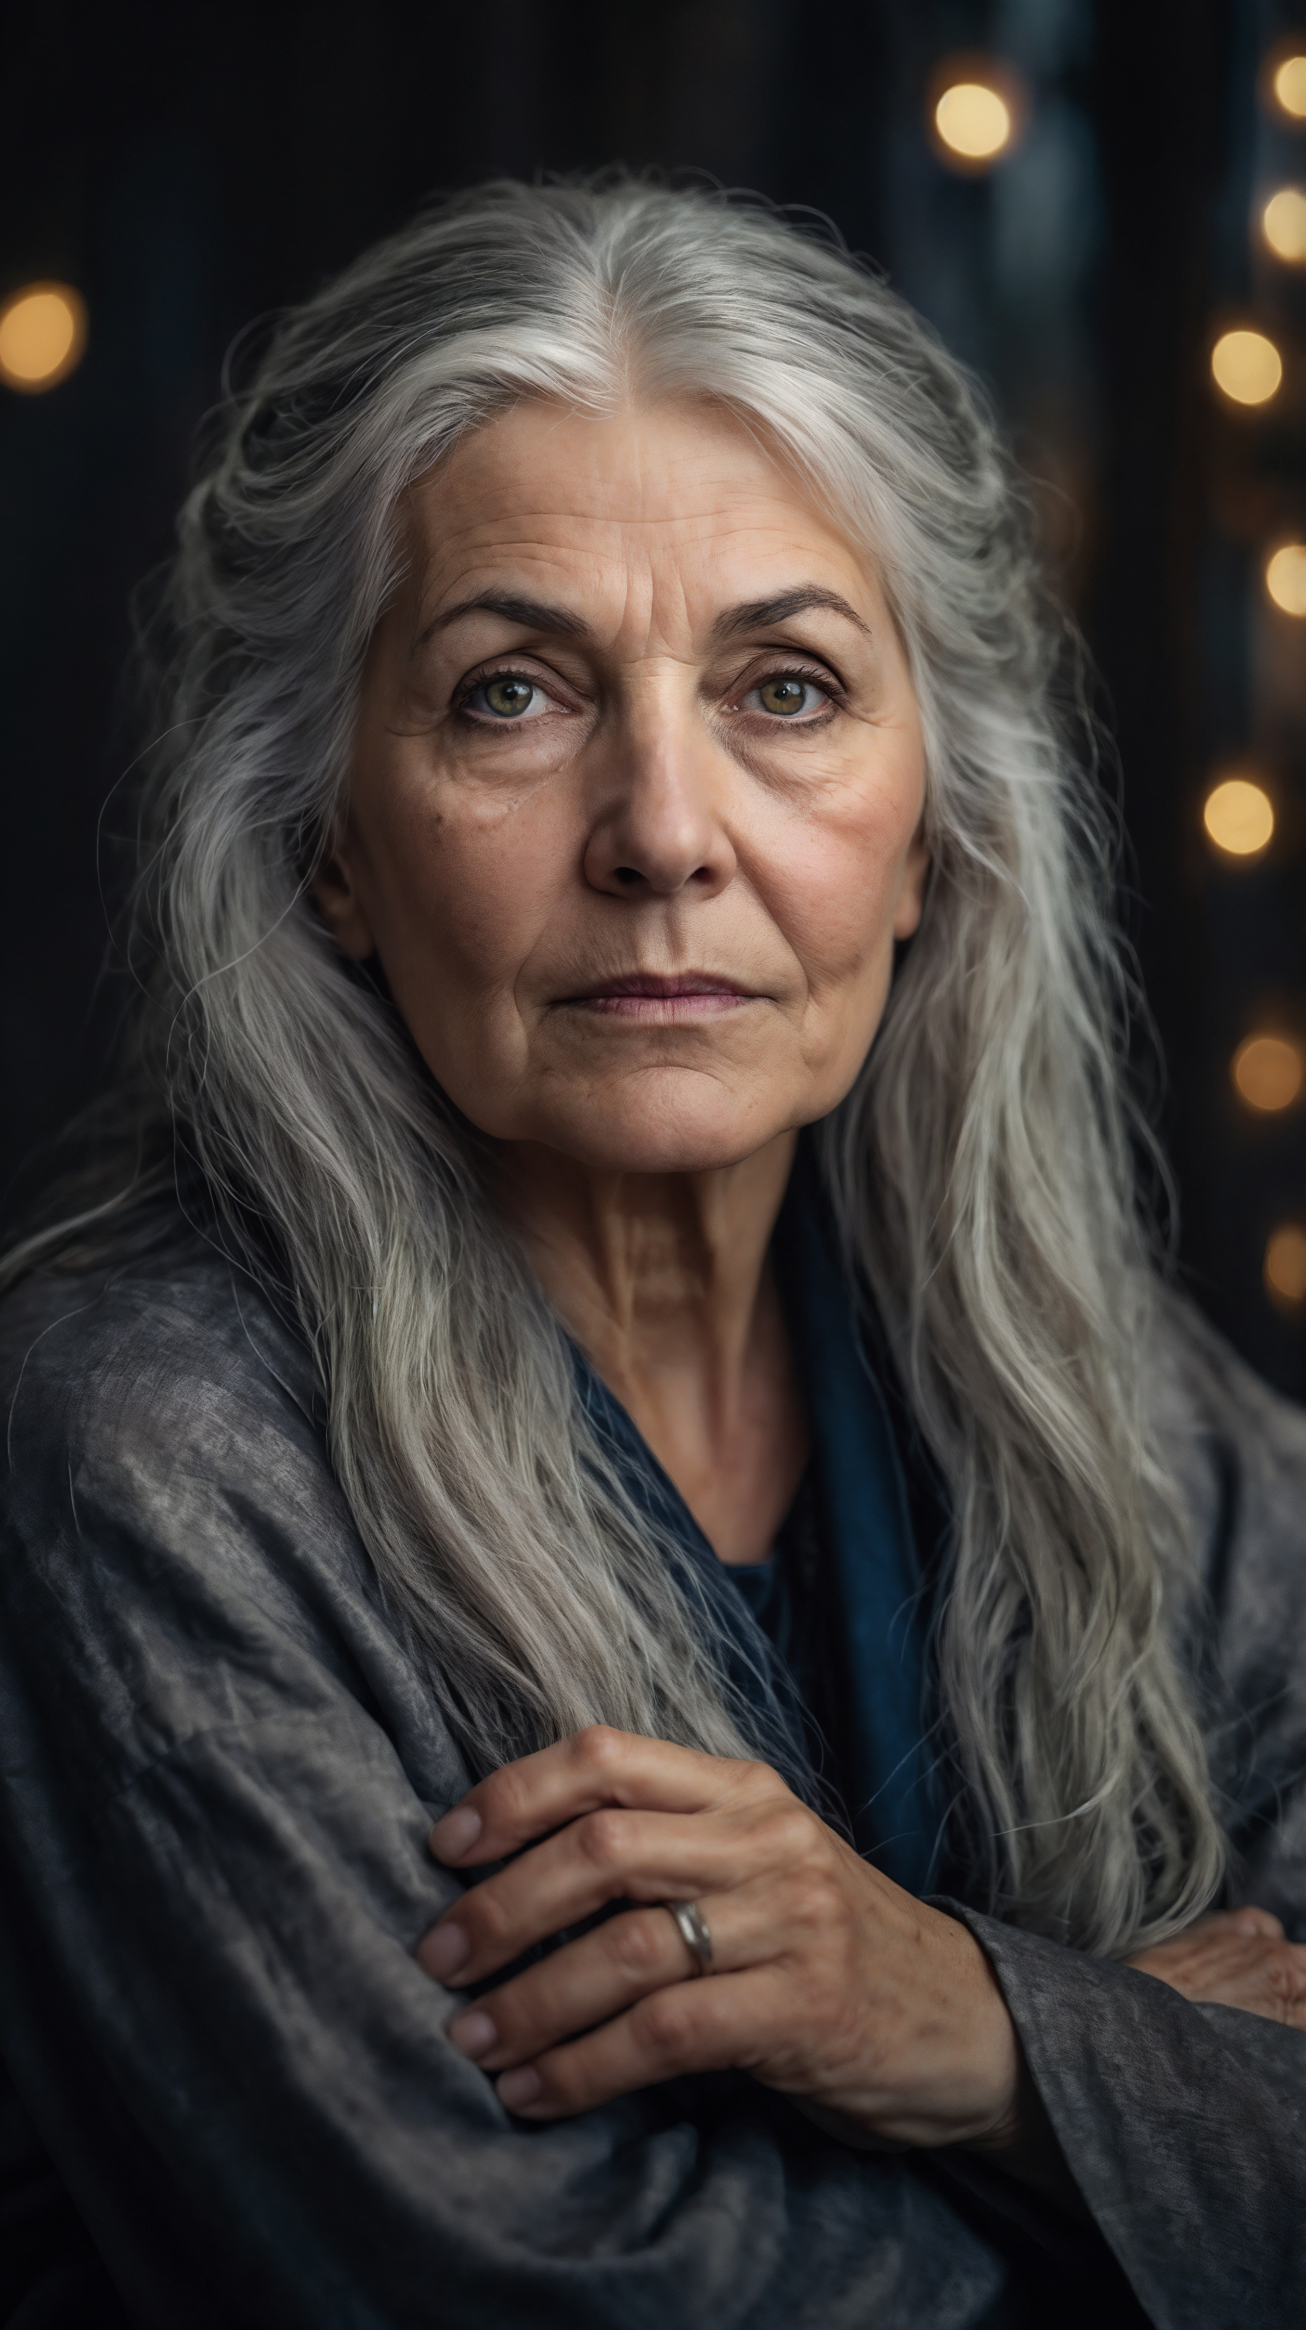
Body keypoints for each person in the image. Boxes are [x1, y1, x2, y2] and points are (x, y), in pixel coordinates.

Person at [0, 178, 1302, 2330]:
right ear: (329, 841)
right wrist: (1132, 2106)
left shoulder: (1104, 1400)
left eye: (785, 686)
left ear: (932, 837)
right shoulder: (134, 1459)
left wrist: (969, 2029)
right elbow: (518, 2296)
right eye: (511, 694)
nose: (665, 831)